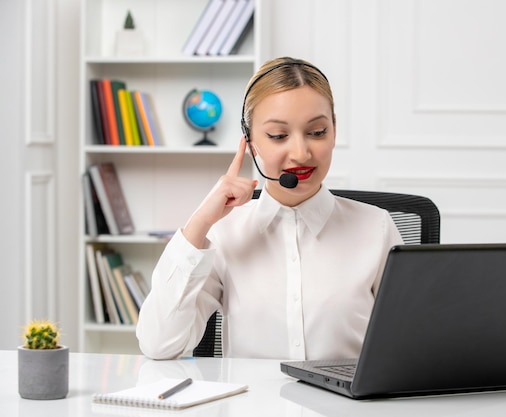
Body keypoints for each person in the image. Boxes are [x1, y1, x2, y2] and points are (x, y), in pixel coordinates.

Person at [136, 57, 403, 360]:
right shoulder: (224, 233)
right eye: (278, 136)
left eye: (317, 132)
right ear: (250, 143)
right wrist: (200, 223)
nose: (301, 153)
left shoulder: (376, 228)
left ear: (334, 132)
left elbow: (411, 344)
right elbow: (159, 345)